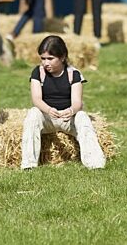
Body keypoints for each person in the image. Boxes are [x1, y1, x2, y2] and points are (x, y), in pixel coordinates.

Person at [20, 35, 105, 170]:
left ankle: (95, 164)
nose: (45, 63)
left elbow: (78, 102)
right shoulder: (38, 72)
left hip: (68, 118)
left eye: (50, 59)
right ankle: (28, 164)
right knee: (33, 114)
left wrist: (71, 111)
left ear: (63, 57)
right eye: (43, 58)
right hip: (47, 118)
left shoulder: (74, 74)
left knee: (83, 117)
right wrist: (48, 110)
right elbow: (36, 99)